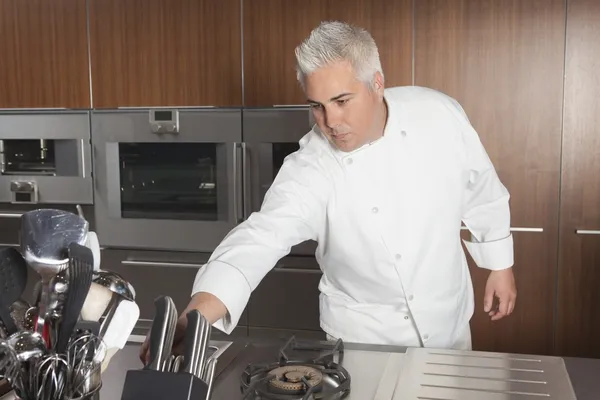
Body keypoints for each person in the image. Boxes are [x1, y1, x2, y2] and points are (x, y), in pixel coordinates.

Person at [140, 20, 517, 362]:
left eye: (341, 101)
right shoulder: (311, 167)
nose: (330, 122)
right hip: (363, 345)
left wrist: (499, 263)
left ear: (378, 83)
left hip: (449, 327)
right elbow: (258, 239)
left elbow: (481, 185)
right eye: (317, 106)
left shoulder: (439, 115)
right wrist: (196, 316)